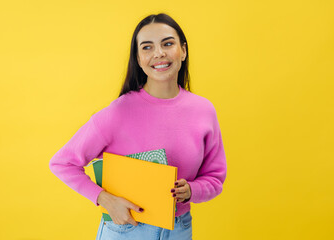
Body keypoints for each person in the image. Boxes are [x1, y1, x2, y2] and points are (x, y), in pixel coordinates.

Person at [49, 13, 227, 240]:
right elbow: (62, 163)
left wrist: (193, 190)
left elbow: (214, 178)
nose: (159, 53)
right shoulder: (118, 112)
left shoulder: (204, 110)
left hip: (180, 229)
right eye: (147, 47)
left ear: (183, 50)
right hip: (126, 229)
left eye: (168, 43)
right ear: (138, 58)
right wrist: (105, 199)